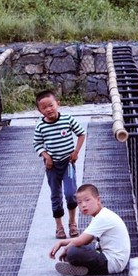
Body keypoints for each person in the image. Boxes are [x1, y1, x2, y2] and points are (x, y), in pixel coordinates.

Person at [33, 90, 86, 240]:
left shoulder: (67, 119)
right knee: (56, 195)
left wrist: (76, 152)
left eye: (51, 105)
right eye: (44, 108)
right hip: (52, 167)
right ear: (39, 110)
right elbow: (37, 143)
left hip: (68, 163)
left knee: (70, 194)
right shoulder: (40, 126)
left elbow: (81, 134)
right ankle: (59, 226)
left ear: (58, 104)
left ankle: (72, 222)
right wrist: (46, 156)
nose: (48, 109)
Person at [49, 184, 131, 276]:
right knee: (77, 248)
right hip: (106, 255)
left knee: (73, 252)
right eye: (79, 202)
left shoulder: (102, 217)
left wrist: (66, 249)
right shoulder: (100, 215)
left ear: (98, 200)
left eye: (87, 200)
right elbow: (85, 239)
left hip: (112, 263)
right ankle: (82, 268)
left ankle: (86, 269)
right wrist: (61, 243)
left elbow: (81, 241)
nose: (83, 205)